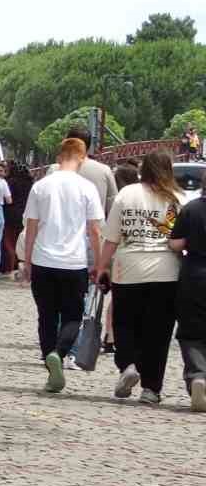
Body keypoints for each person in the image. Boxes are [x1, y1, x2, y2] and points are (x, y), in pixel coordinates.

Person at [94, 151, 182, 404]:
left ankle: (128, 365)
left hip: (129, 269)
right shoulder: (175, 198)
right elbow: (181, 238)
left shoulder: (126, 194)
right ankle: (151, 388)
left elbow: (111, 238)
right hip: (166, 271)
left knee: (125, 323)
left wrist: (102, 267)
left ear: (144, 169)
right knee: (158, 332)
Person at [24, 138, 105, 394]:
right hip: (74, 262)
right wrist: (100, 263)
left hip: (43, 260)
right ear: (82, 157)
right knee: (72, 316)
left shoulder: (41, 186)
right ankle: (59, 353)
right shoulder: (87, 188)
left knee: (46, 315)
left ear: (60, 156)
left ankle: (51, 364)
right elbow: (94, 230)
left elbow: (31, 228)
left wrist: (27, 261)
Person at [167, 188, 206, 412]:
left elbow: (176, 243)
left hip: (194, 277)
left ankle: (198, 376)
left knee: (190, 333)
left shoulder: (191, 209)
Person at [67, 125, 118, 217]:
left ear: (67, 143)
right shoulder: (104, 171)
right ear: (89, 145)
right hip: (96, 229)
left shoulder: (54, 170)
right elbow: (114, 209)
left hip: (61, 230)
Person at [2, 161, 33, 276]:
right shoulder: (30, 183)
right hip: (23, 214)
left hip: (9, 215)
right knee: (18, 241)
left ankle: (10, 265)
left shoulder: (10, 182)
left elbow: (7, 199)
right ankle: (18, 263)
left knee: (9, 241)